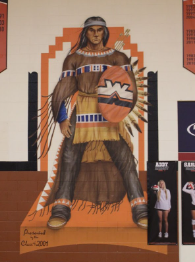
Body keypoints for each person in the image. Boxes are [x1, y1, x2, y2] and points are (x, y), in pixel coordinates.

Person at [43, 16, 147, 230]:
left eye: (100, 30)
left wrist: (119, 111)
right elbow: (64, 89)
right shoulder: (73, 58)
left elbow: (130, 89)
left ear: (105, 32)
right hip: (82, 110)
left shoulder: (118, 56)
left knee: (125, 159)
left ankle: (139, 208)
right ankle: (61, 208)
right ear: (86, 33)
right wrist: (63, 118)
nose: (96, 34)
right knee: (70, 158)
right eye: (92, 30)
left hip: (109, 114)